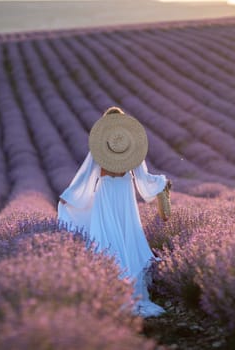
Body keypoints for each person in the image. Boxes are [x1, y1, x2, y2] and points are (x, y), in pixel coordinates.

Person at [57, 106, 170, 318]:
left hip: (107, 194)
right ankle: (133, 293)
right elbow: (143, 179)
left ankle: (111, 290)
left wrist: (70, 197)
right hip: (124, 196)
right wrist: (161, 182)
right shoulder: (131, 146)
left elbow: (86, 177)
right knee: (127, 237)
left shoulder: (100, 147)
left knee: (107, 238)